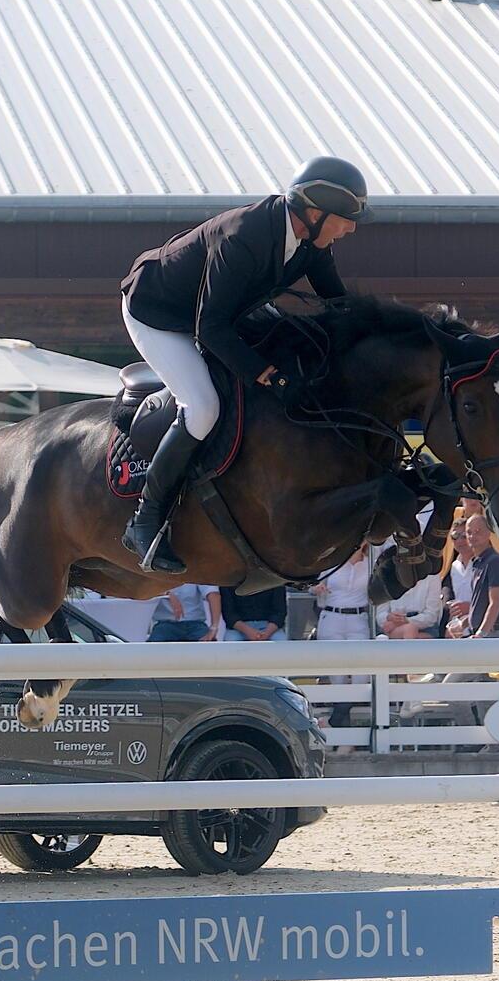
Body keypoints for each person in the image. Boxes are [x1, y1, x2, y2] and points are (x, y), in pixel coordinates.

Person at [119, 156, 368, 573]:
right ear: (315, 211)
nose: (352, 228)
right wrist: (266, 373)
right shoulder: (244, 237)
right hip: (158, 313)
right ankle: (145, 518)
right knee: (203, 408)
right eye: (346, 218)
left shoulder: (310, 243)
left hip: (216, 313)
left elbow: (339, 306)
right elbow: (210, 329)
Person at [313, 543, 375, 729]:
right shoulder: (332, 561)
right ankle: (345, 740)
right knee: (337, 676)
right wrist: (317, 589)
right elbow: (310, 585)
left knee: (360, 676)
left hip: (358, 618)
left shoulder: (371, 563)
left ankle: (334, 725)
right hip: (332, 616)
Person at [464, 514, 499, 638]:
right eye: (469, 532)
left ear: (489, 533)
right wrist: (464, 623)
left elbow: (495, 603)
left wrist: (481, 634)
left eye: (478, 531)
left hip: (492, 634)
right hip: (481, 633)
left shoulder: (494, 561)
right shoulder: (477, 562)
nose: (472, 536)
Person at [377, 572, 442, 639]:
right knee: (410, 630)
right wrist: (389, 617)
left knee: (410, 630)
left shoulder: (432, 576)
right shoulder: (385, 575)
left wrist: (405, 621)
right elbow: (380, 616)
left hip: (426, 627)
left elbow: (431, 616)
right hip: (393, 627)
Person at [148, 584, 221, 642]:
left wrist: (214, 627)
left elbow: (213, 594)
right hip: (165, 625)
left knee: (211, 649)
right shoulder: (159, 569)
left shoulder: (196, 570)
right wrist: (167, 594)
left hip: (195, 624)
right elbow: (145, 588)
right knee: (151, 651)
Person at [221, 585, 288, 642]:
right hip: (239, 628)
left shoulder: (275, 581)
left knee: (281, 641)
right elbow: (229, 614)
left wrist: (266, 633)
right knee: (231, 642)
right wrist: (249, 631)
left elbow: (280, 612)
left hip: (269, 626)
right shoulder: (229, 581)